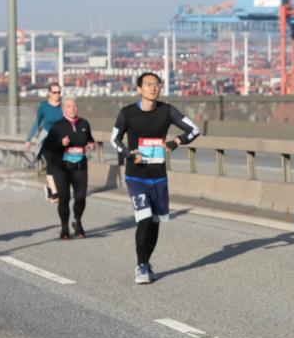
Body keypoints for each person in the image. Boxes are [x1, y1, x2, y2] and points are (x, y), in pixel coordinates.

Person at [109, 72, 200, 284]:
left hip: (158, 177)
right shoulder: (127, 113)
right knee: (145, 218)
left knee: (155, 223)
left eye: (156, 84)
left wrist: (177, 141)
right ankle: (141, 266)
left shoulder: (167, 111)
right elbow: (114, 139)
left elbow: (194, 130)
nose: (153, 88)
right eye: (148, 84)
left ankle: (146, 261)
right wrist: (128, 154)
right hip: (136, 176)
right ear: (139, 89)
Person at [47, 98, 95, 240]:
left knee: (80, 197)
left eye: (74, 106)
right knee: (64, 198)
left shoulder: (84, 123)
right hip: (61, 168)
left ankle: (77, 221)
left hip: (80, 166)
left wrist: (91, 144)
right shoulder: (57, 126)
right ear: (63, 109)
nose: (72, 108)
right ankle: (64, 227)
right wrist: (60, 143)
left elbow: (89, 139)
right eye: (68, 106)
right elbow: (48, 146)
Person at [24, 85, 64, 201]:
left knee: (60, 166)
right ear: (49, 93)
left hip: (60, 139)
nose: (57, 95)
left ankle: (48, 187)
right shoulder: (44, 106)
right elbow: (37, 122)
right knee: (51, 164)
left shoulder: (63, 106)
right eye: (54, 92)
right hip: (46, 139)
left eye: (59, 92)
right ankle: (55, 193)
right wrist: (29, 139)